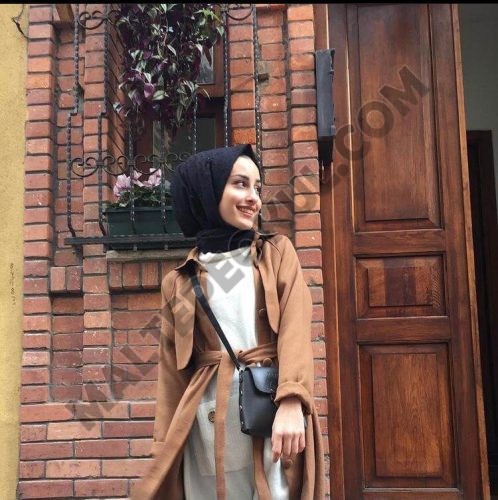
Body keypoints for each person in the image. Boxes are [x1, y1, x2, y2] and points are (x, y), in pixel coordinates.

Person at [132, 144, 325, 500]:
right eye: (240, 184)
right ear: (207, 192)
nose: (254, 198)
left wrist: (292, 401)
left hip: (271, 414)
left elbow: (296, 330)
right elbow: (172, 373)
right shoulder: (179, 282)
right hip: (206, 426)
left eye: (257, 188)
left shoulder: (277, 254)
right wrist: (163, 448)